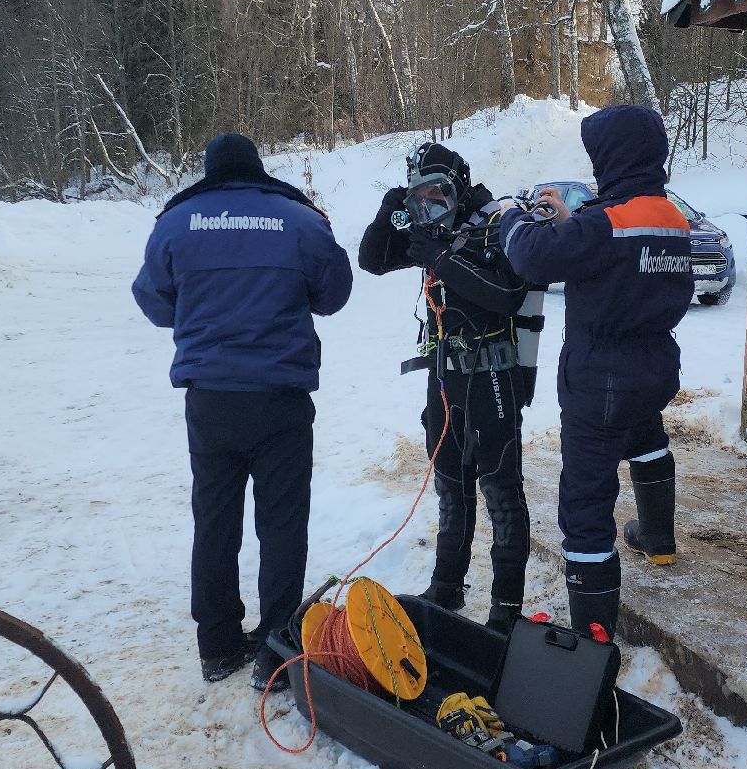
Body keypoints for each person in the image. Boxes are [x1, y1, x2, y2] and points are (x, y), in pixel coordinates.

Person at [132, 132, 353, 690]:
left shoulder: (176, 223)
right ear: (257, 167)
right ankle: (275, 652)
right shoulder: (298, 219)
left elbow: (153, 301)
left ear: (210, 171)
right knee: (282, 525)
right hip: (281, 398)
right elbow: (334, 294)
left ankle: (217, 646)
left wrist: (201, 305)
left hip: (211, 399)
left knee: (214, 521)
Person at [497, 106, 691, 636]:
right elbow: (613, 255)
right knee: (647, 435)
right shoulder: (669, 216)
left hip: (600, 380)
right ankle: (658, 538)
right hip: (654, 368)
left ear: (614, 156)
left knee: (585, 504)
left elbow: (534, 257)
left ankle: (593, 637)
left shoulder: (606, 224)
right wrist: (570, 220)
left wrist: (511, 216)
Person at [359, 143, 543, 633]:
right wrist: (391, 208)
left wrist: (442, 259)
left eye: (438, 195)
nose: (430, 206)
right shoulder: (429, 229)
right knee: (450, 485)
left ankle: (506, 607)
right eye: (420, 198)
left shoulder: (496, 224)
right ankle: (447, 585)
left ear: (459, 186)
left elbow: (508, 294)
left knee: (501, 490)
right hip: (445, 375)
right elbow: (372, 259)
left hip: (494, 374)